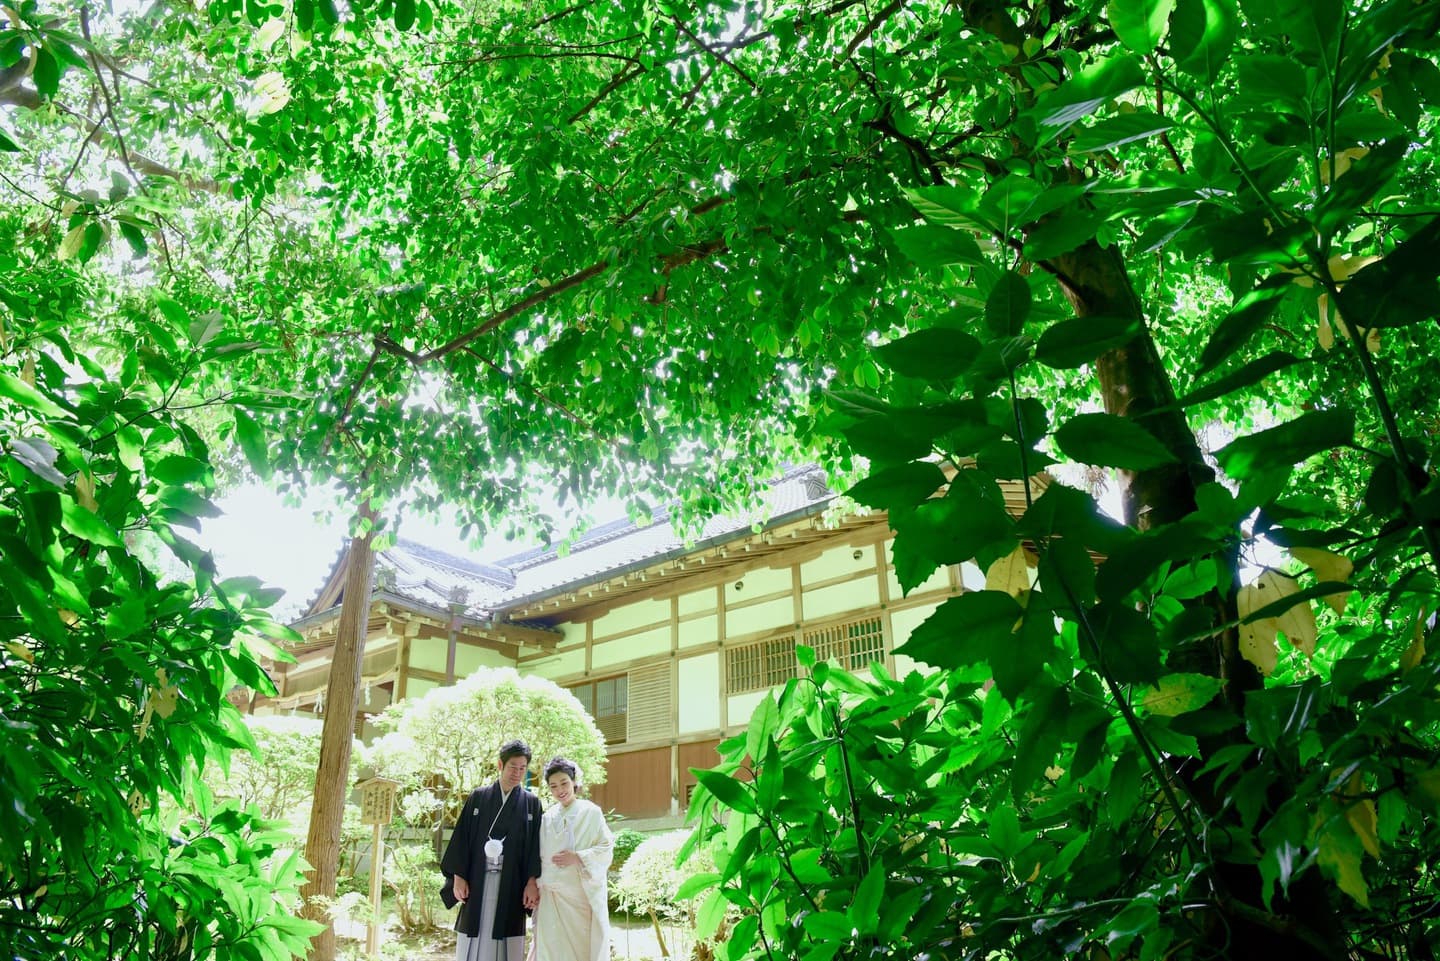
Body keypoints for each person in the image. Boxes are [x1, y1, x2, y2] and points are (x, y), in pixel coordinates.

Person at [440, 739, 544, 961]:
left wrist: (532, 881)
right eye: (513, 767)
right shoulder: (478, 797)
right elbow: (462, 838)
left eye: (522, 768)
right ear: (500, 765)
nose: (517, 773)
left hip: (512, 881)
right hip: (477, 879)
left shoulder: (532, 803)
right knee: (475, 929)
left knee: (507, 933)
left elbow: (536, 846)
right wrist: (458, 876)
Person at [533, 757, 613, 961]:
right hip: (552, 894)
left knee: (581, 948)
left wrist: (578, 857)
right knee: (552, 948)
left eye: (564, 783)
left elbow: (605, 847)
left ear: (574, 781)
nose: (560, 790)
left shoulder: (591, 812)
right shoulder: (547, 817)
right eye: (553, 786)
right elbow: (541, 854)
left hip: (580, 893)